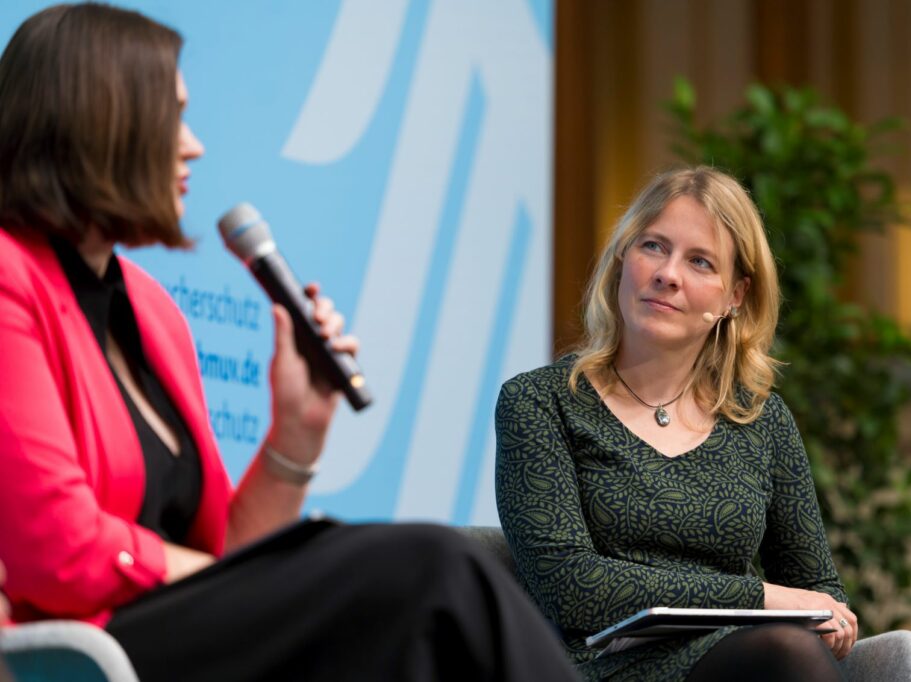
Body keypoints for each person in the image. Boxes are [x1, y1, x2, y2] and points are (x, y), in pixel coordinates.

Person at [0, 4, 578, 681]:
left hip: (187, 631)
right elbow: (59, 551)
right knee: (433, 565)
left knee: (422, 627)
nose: (194, 145)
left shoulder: (153, 310)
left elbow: (229, 551)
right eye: (173, 115)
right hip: (90, 649)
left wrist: (296, 433)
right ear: (98, 120)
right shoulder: (10, 276)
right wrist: (235, 574)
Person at [495, 166, 858, 681]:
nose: (668, 273)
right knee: (785, 653)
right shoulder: (540, 403)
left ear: (735, 296)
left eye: (700, 262)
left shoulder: (761, 419)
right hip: (601, 667)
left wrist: (824, 617)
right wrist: (759, 597)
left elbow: (819, 589)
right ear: (623, 260)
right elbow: (570, 586)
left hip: (740, 660)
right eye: (653, 247)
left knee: (791, 652)